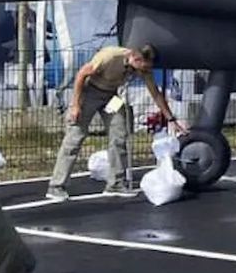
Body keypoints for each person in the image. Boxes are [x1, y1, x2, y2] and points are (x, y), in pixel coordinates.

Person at [45, 44, 185, 201]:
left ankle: (116, 183)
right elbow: (81, 74)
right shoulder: (110, 56)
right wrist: (76, 105)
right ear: (136, 58)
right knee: (75, 137)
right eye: (145, 66)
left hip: (111, 97)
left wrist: (171, 119)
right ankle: (56, 186)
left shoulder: (143, 69)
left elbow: (156, 95)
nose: (146, 71)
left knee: (119, 133)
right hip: (90, 92)